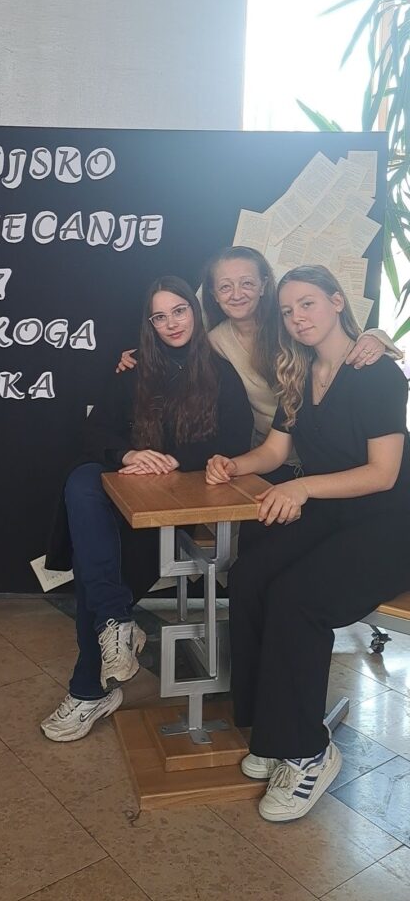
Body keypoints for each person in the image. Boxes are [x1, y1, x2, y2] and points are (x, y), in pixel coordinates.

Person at [205, 264, 410, 822]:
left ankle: (307, 752)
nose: (297, 318)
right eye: (288, 310)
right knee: (249, 576)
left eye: (308, 304)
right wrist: (232, 465)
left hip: (389, 523)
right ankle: (272, 732)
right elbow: (275, 452)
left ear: (337, 302)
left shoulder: (376, 371)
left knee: (298, 599)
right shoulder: (297, 373)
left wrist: (300, 487)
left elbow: (383, 474)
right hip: (334, 513)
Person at [41, 275, 253, 743]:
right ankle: (117, 625)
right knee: (82, 480)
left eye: (179, 311)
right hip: (126, 495)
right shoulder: (133, 368)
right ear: (149, 323)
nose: (171, 323)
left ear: (195, 312)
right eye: (160, 316)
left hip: (178, 505)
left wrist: (176, 459)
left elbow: (236, 440)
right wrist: (129, 454)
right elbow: (95, 432)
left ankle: (92, 680)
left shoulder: (220, 372)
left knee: (95, 566)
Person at [118, 245, 397, 469]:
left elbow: (341, 340)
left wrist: (376, 336)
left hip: (328, 454)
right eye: (225, 287)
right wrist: (136, 358)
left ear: (264, 286)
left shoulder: (293, 323)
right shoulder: (215, 342)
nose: (237, 294)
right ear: (213, 295)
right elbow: (175, 351)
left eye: (247, 283)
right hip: (266, 455)